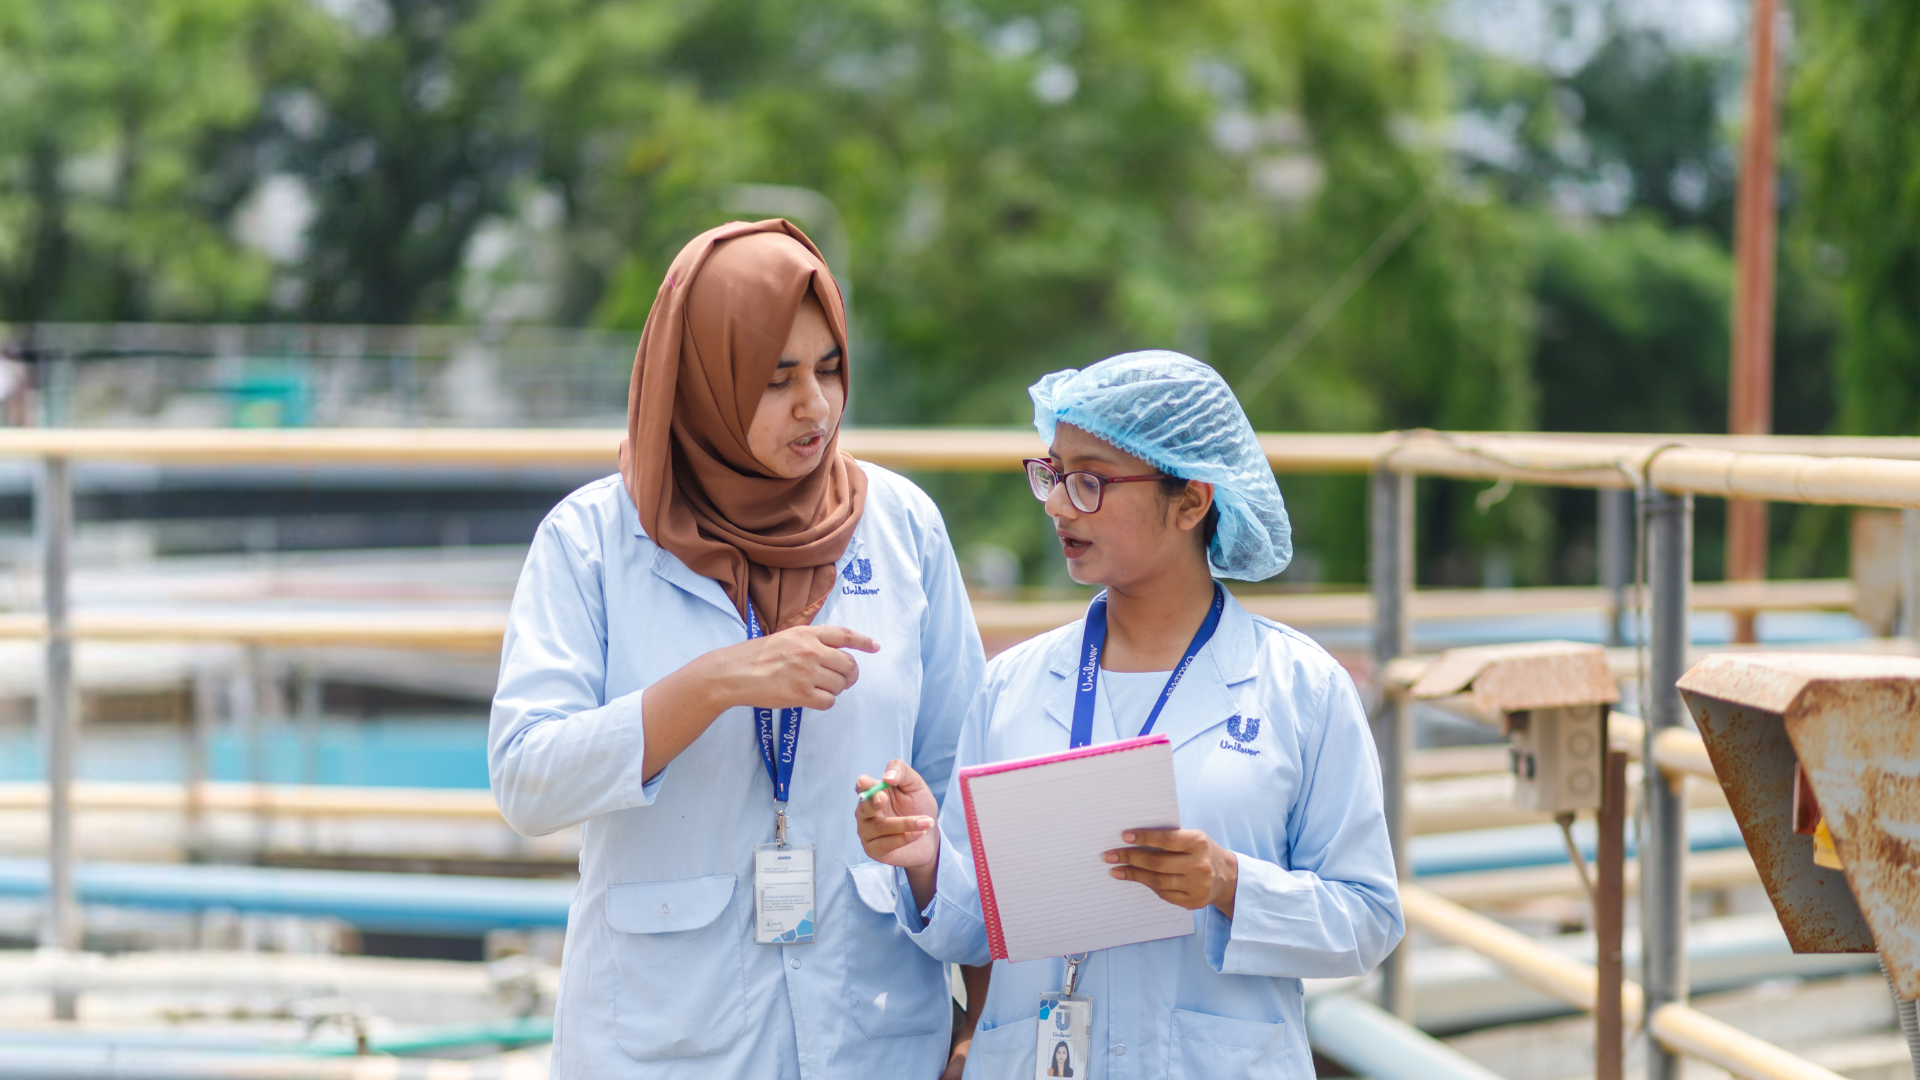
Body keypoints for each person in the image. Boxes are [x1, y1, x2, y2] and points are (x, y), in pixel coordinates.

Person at [490, 219, 985, 1078]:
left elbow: (968, 783)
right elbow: (528, 781)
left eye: (830, 369)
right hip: (664, 1041)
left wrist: (979, 1017)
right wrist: (716, 683)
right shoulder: (592, 542)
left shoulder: (902, 527)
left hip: (874, 1035)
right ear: (703, 381)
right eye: (775, 378)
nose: (817, 407)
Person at [855, 351, 1404, 1078]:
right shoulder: (1013, 687)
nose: (1056, 504)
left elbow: (1367, 921)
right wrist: (923, 856)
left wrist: (1230, 883)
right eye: (1052, 474)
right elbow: (975, 929)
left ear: (1192, 501)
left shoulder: (1301, 688)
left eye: (1090, 481)